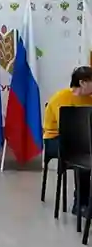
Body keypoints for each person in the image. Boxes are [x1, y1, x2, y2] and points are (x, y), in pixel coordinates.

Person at [43, 65, 92, 215]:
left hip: (82, 140)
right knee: (83, 154)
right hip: (55, 139)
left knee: (84, 150)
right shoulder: (61, 98)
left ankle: (87, 201)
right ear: (83, 82)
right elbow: (67, 128)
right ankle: (80, 204)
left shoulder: (89, 100)